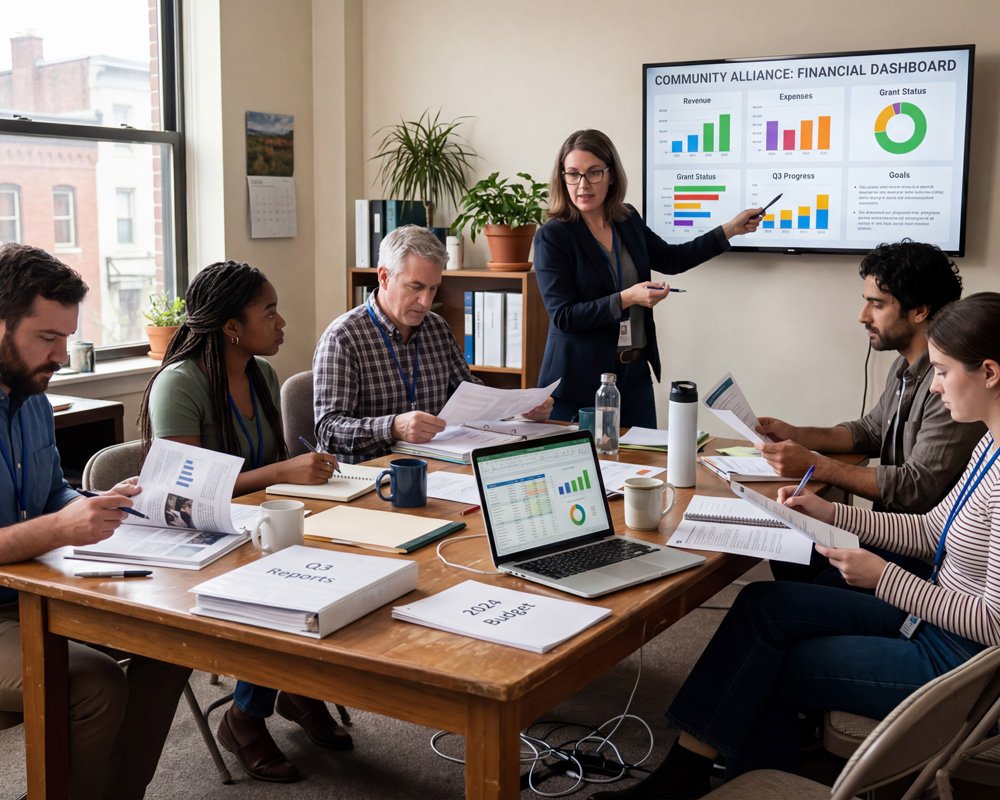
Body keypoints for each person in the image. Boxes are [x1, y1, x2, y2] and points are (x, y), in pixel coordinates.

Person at [590, 292, 1000, 800]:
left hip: (955, 662)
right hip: (934, 621)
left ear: (989, 372)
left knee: (767, 663)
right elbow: (934, 529)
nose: (934, 386)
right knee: (763, 607)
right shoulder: (989, 441)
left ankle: (713, 782)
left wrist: (883, 578)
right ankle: (699, 778)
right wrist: (829, 512)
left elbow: (994, 624)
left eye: (941, 372)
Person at [138, 261, 350, 783]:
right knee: (279, 594)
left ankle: (297, 688)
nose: (282, 323)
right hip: (191, 542)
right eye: (269, 311)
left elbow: (267, 477)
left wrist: (295, 475)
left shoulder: (262, 374)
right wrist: (281, 471)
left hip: (247, 529)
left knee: (332, 565)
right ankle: (244, 717)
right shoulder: (179, 383)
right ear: (232, 327)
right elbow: (182, 489)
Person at [0, 243, 189, 799]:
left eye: (67, 336)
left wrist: (96, 502)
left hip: (36, 590)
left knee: (171, 644)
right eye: (46, 337)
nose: (61, 354)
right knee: (95, 684)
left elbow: (50, 491)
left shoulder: (34, 397)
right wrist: (61, 529)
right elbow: (49, 526)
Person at [534, 129, 762, 428]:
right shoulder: (553, 236)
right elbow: (564, 316)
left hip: (633, 373)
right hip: (579, 383)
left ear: (612, 175)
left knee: (646, 468)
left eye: (594, 173)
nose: (583, 185)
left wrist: (730, 229)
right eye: (573, 174)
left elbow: (672, 259)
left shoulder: (627, 219)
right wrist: (628, 298)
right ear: (562, 178)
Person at [757, 240, 983, 515]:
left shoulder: (952, 388)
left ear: (920, 311)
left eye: (876, 305)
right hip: (893, 529)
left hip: (917, 543)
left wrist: (815, 466)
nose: (862, 317)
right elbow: (872, 430)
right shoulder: (904, 365)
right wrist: (796, 434)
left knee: (791, 539)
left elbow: (915, 488)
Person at [314, 225, 552, 462]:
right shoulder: (343, 338)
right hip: (366, 477)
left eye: (433, 288)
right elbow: (328, 430)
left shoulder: (436, 327)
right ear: (384, 277)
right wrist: (393, 428)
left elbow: (472, 396)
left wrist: (519, 410)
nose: (426, 301)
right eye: (415, 287)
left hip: (434, 468)